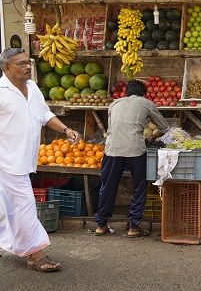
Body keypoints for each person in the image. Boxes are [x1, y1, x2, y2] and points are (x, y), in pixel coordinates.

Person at [0, 48, 81, 272]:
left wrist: (66, 129)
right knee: (24, 207)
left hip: (26, 160)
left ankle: (13, 244)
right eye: (21, 63)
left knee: (11, 209)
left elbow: (45, 115)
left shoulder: (33, 88)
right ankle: (36, 255)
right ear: (7, 68)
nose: (27, 67)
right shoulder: (1, 92)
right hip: (6, 162)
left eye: (29, 63)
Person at [94, 80, 168, 237]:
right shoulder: (146, 103)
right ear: (144, 93)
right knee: (139, 186)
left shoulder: (114, 104)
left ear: (126, 92)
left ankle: (101, 225)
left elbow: (114, 127)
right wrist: (153, 138)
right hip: (135, 149)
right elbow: (164, 127)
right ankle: (134, 228)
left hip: (112, 148)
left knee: (108, 186)